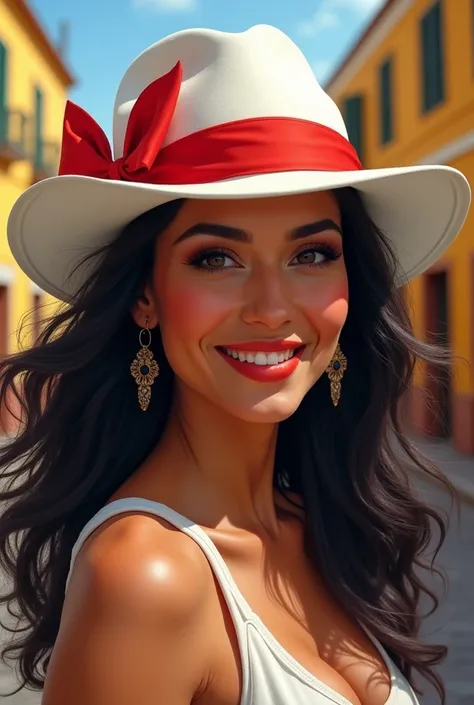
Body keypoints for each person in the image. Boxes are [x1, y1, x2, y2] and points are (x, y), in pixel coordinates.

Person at [0, 24, 470, 705]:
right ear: (144, 296)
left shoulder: (310, 519)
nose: (273, 308)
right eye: (216, 257)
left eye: (312, 254)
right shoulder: (144, 574)